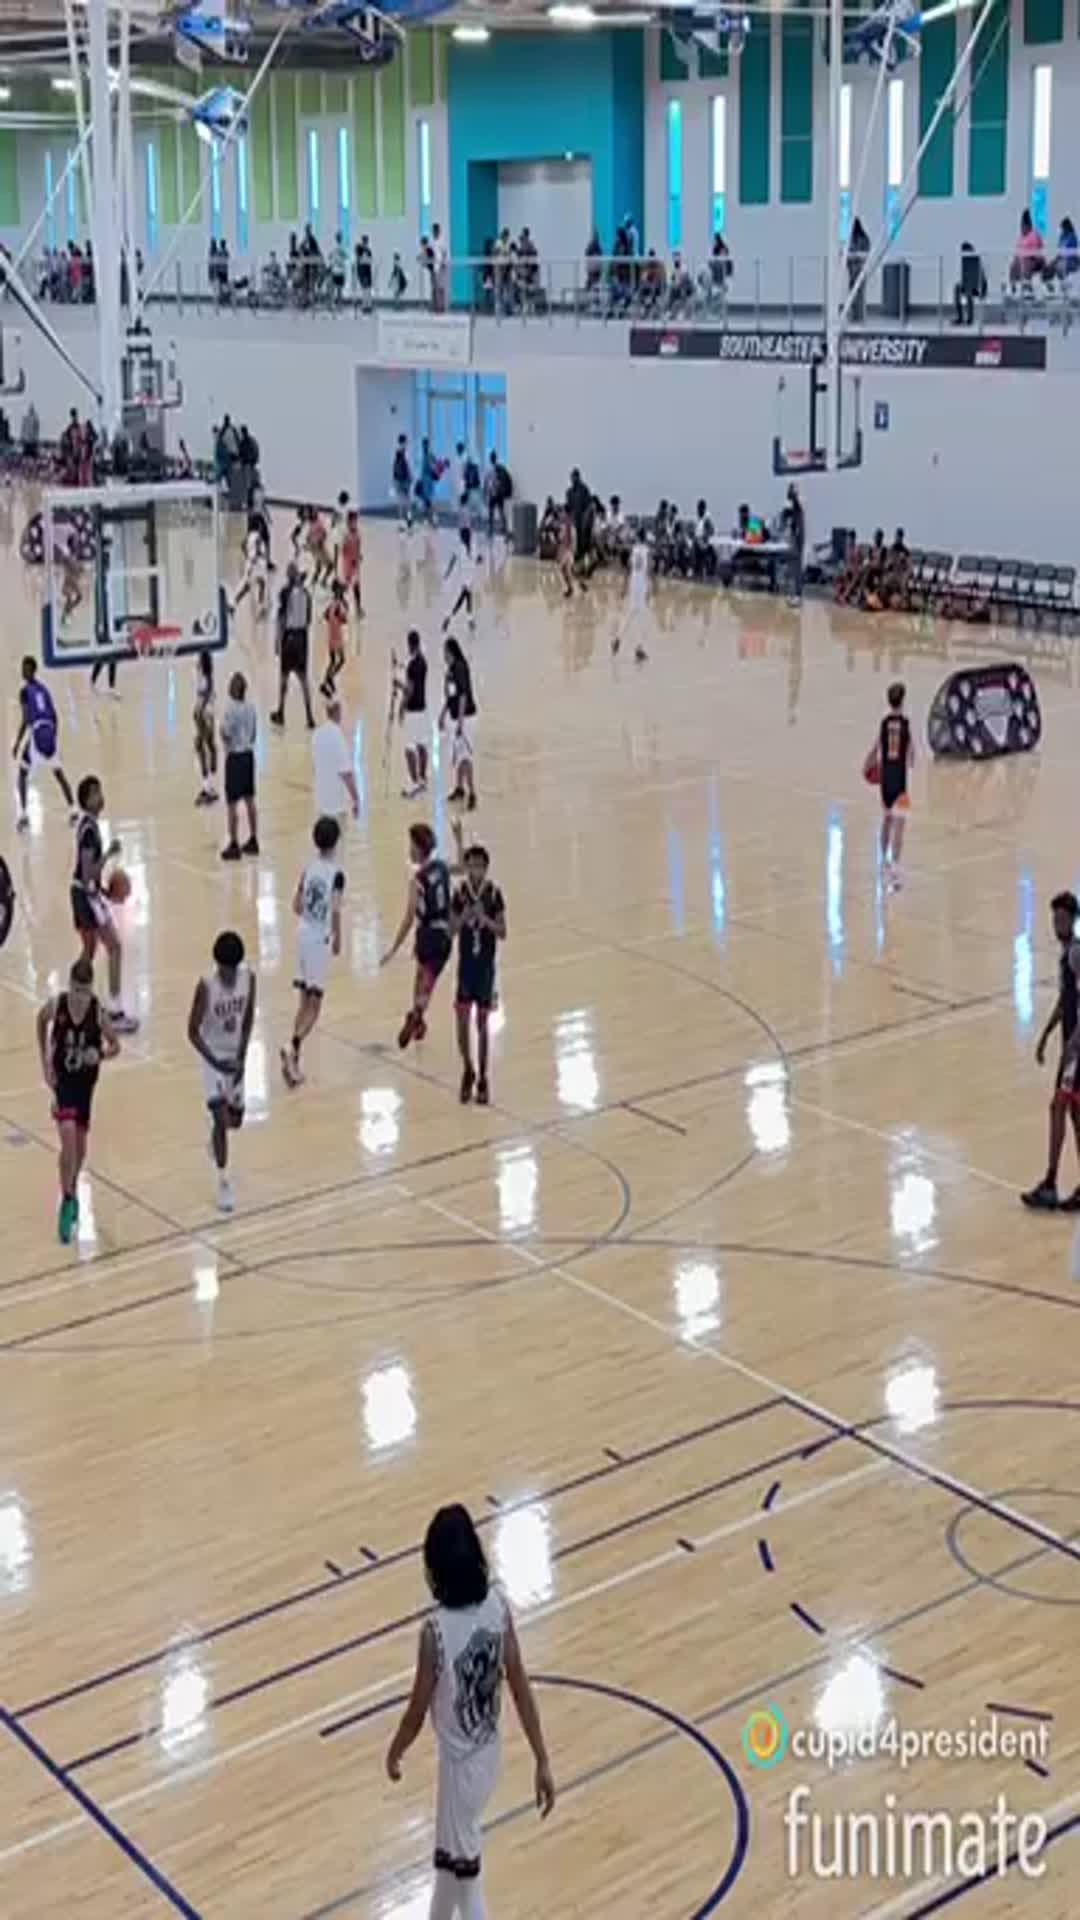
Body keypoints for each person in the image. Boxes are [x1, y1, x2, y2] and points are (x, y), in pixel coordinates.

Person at [385, 1503, 555, 1917]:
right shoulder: (498, 1607)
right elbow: (520, 1687)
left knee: (467, 1876)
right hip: (484, 1756)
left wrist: (395, 1750)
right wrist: (541, 1757)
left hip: (462, 1768)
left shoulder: (435, 1633)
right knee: (448, 1864)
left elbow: (415, 1711)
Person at [37, 955, 120, 1243]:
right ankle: (67, 1200)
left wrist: (101, 1054)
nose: (79, 996)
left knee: (80, 1150)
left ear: (90, 989)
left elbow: (115, 1045)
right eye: (75, 990)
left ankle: (70, 1189)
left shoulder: (97, 1012)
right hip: (63, 1083)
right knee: (68, 1139)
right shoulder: (58, 1005)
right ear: (69, 984)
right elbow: (40, 1020)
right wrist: (45, 1062)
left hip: (85, 1085)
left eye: (84, 991)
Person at [187, 930, 255, 1214]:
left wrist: (242, 1057)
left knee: (234, 1121)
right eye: (225, 969)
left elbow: (248, 1018)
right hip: (212, 1056)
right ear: (217, 965)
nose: (229, 974)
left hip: (234, 1056)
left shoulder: (248, 979)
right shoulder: (206, 986)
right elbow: (192, 1032)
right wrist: (215, 1062)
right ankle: (224, 1181)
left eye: (233, 969)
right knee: (219, 1115)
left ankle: (216, 1138)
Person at [1022, 893, 1080, 1211]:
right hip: (1071, 1047)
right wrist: (1046, 1035)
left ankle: (1050, 1182)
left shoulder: (1076, 954)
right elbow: (1065, 1001)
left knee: (1059, 1107)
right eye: (1054, 919)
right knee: (1074, 1113)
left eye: (1062, 920)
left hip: (1077, 1050)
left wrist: (1075, 1041)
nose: (1057, 925)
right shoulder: (1065, 955)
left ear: (1072, 920)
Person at [280, 815, 346, 1089]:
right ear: (336, 841)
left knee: (303, 1002)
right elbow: (336, 909)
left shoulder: (309, 868)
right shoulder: (336, 875)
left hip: (302, 933)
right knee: (315, 1006)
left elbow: (296, 905)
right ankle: (292, 1045)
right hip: (319, 938)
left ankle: (294, 1062)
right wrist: (337, 937)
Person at [70, 775, 139, 1033]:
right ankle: (115, 1011)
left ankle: (74, 1005)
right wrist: (109, 853)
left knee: (89, 952)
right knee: (114, 947)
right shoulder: (89, 831)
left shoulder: (89, 825)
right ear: (87, 800)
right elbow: (88, 873)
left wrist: (106, 893)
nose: (101, 797)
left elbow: (88, 876)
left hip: (85, 894)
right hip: (85, 895)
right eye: (96, 793)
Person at [380, 821, 455, 1048]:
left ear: (418, 848)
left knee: (421, 979)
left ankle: (417, 1018)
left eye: (411, 845)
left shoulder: (418, 879)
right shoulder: (442, 867)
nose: (408, 849)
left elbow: (409, 916)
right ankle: (417, 1016)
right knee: (427, 982)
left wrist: (394, 948)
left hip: (425, 935)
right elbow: (462, 865)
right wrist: (459, 837)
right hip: (443, 934)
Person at [452, 839, 506, 1106]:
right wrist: (464, 917)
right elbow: (451, 929)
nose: (475, 870)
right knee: (461, 1023)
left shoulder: (493, 894)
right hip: (465, 968)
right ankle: (467, 1068)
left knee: (483, 1024)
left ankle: (483, 1077)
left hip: (485, 968)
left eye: (479, 866)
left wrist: (485, 921)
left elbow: (503, 931)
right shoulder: (460, 893)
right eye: (471, 865)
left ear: (485, 868)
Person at [12, 655, 77, 829]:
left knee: (22, 772)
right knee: (58, 773)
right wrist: (53, 737)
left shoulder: (24, 692)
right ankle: (73, 810)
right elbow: (55, 716)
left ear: (32, 671)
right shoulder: (44, 689)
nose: (23, 671)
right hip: (49, 730)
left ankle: (23, 815)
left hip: (38, 732)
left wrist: (17, 742)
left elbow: (26, 719)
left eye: (25, 668)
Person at [875, 681, 913, 888]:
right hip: (899, 779)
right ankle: (895, 867)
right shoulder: (905, 725)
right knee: (899, 825)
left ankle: (883, 860)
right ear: (903, 701)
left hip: (886, 779)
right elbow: (911, 755)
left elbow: (877, 749)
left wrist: (868, 766)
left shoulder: (884, 723)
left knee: (886, 819)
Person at [220, 670, 259, 860]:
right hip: (248, 756)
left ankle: (234, 843)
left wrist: (223, 736)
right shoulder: (251, 708)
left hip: (234, 757)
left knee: (232, 803)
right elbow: (254, 735)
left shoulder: (230, 709)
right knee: (250, 799)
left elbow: (226, 733)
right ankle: (253, 838)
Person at [272, 564, 315, 730]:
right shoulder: (306, 594)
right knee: (303, 679)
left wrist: (277, 641)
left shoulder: (285, 593)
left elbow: (282, 618)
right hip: (302, 637)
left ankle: (281, 711)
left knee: (284, 677)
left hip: (289, 638)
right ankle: (309, 716)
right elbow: (309, 619)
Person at [441, 636, 478, 811]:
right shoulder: (451, 670)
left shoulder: (460, 668)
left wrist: (461, 723)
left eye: (445, 652)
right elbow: (451, 696)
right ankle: (459, 788)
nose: (443, 656)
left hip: (466, 718)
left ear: (451, 652)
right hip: (456, 717)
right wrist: (443, 714)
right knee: (459, 755)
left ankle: (472, 793)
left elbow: (463, 695)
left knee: (466, 757)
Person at [312, 696, 359, 823]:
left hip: (320, 800)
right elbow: (346, 773)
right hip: (336, 803)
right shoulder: (338, 737)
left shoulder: (317, 734)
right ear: (338, 712)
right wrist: (355, 799)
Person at [398, 628, 429, 799]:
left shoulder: (412, 666)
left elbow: (409, 690)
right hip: (422, 708)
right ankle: (423, 779)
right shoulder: (423, 662)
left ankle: (414, 783)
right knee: (422, 744)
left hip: (412, 710)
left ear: (410, 644)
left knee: (409, 748)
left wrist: (401, 707)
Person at [613, 524, 650, 659]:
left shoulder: (633, 550)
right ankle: (639, 648)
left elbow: (628, 569)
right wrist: (652, 586)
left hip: (633, 583)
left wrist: (624, 587)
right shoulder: (647, 551)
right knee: (642, 618)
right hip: (642, 584)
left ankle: (618, 637)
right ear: (645, 537)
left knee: (630, 613)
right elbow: (649, 570)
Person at [193, 648, 218, 807]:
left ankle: (207, 788)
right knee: (208, 747)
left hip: (204, 714)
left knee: (201, 747)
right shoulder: (206, 677)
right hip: (207, 713)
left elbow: (206, 695)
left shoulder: (206, 679)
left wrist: (198, 713)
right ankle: (209, 786)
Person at [443, 524, 477, 634]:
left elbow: (474, 559)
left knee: (465, 599)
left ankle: (452, 618)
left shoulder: (470, 547)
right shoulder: (463, 548)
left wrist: (448, 572)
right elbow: (453, 560)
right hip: (465, 577)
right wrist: (448, 572)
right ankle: (453, 619)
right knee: (464, 599)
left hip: (469, 576)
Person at [321, 580, 349, 699]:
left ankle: (328, 680)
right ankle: (329, 679)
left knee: (333, 661)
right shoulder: (338, 604)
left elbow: (325, 615)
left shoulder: (332, 603)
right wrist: (341, 618)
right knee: (341, 660)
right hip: (337, 636)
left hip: (331, 634)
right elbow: (343, 619)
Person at [1010, 208, 1046, 288]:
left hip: (1035, 261)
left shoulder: (1034, 235)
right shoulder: (1021, 238)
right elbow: (1018, 253)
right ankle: (1013, 287)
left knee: (1026, 264)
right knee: (1013, 266)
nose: (1021, 228)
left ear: (1028, 225)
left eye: (1023, 226)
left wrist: (1025, 258)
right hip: (1022, 261)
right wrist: (1016, 259)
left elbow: (1035, 253)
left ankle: (1027, 287)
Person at [953, 241, 987, 326]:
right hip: (968, 285)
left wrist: (983, 289)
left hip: (978, 286)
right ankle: (960, 317)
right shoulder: (964, 259)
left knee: (968, 291)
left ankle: (970, 318)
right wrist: (962, 285)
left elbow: (980, 275)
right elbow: (965, 276)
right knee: (957, 288)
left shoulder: (975, 258)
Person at [784, 482, 806, 607]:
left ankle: (798, 595)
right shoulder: (792, 506)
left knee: (797, 568)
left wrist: (794, 493)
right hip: (794, 538)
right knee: (791, 568)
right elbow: (787, 518)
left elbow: (798, 507)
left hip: (798, 539)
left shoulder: (799, 504)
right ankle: (793, 594)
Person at [339, 508, 363, 617]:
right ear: (349, 521)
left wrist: (358, 556)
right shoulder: (346, 534)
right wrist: (351, 558)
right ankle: (340, 602)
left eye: (356, 520)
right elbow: (343, 550)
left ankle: (358, 608)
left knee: (356, 586)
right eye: (353, 520)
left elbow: (358, 547)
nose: (355, 522)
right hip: (348, 563)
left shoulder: (357, 533)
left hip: (355, 563)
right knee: (346, 586)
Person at [847, 217, 870, 323]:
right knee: (855, 293)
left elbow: (865, 253)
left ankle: (859, 315)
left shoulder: (862, 239)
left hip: (858, 269)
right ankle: (855, 315)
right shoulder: (854, 239)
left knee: (858, 293)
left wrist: (854, 256)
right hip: (854, 269)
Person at [393, 435, 413, 530]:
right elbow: (408, 466)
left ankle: (402, 523)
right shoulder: (405, 452)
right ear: (404, 441)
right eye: (406, 441)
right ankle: (408, 519)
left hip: (399, 479)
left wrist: (394, 479)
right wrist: (410, 477)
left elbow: (395, 467)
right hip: (405, 479)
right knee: (407, 501)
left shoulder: (397, 452)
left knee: (400, 502)